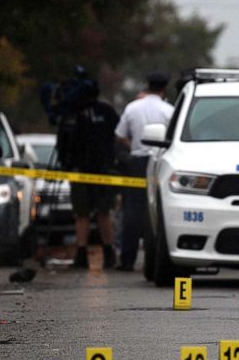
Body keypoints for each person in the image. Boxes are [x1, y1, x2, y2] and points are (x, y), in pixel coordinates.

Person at [56, 76, 121, 270]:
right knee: (94, 213)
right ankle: (93, 254)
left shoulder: (79, 113)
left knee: (92, 213)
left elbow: (63, 144)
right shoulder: (98, 112)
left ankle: (97, 254)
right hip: (93, 171)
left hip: (91, 171)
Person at [114, 72, 174, 272]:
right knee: (159, 211)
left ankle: (127, 260)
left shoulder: (132, 108)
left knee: (132, 212)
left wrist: (132, 145)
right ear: (164, 88)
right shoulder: (169, 110)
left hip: (137, 162)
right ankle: (158, 259)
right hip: (160, 162)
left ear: (147, 85)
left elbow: (120, 135)